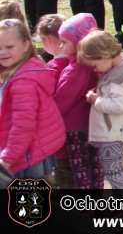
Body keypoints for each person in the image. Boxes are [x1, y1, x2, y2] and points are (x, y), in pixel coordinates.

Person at [0, 18, 66, 180]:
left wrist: (8, 158)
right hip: (29, 151)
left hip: (26, 155)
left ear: (26, 44)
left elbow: (23, 125)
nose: (2, 52)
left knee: (29, 203)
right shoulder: (26, 67)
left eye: (9, 47)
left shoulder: (23, 83)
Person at [78, 29, 123, 189]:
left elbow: (120, 105)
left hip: (114, 135)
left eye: (94, 65)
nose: (94, 70)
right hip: (114, 132)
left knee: (116, 176)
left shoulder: (117, 80)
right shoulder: (119, 69)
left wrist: (96, 100)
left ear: (105, 55)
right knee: (115, 174)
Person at [55, 13, 104, 189]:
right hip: (93, 125)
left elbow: (61, 102)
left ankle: (83, 208)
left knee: (79, 169)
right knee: (95, 165)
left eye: (64, 42)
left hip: (74, 129)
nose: (60, 46)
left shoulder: (74, 70)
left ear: (78, 43)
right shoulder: (94, 64)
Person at [33, 13, 73, 188]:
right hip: (83, 130)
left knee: (64, 175)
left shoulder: (51, 69)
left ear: (46, 39)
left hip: (59, 136)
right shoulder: (78, 61)